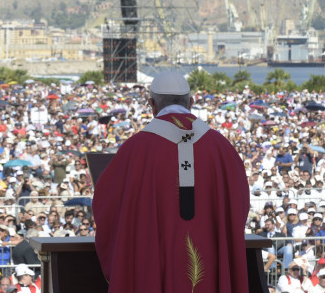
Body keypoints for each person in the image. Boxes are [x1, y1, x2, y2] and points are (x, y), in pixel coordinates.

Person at [93, 71, 250, 292]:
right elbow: (239, 205)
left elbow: (106, 206)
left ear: (151, 105)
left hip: (155, 263)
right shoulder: (222, 148)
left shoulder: (135, 149)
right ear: (192, 102)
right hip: (212, 262)